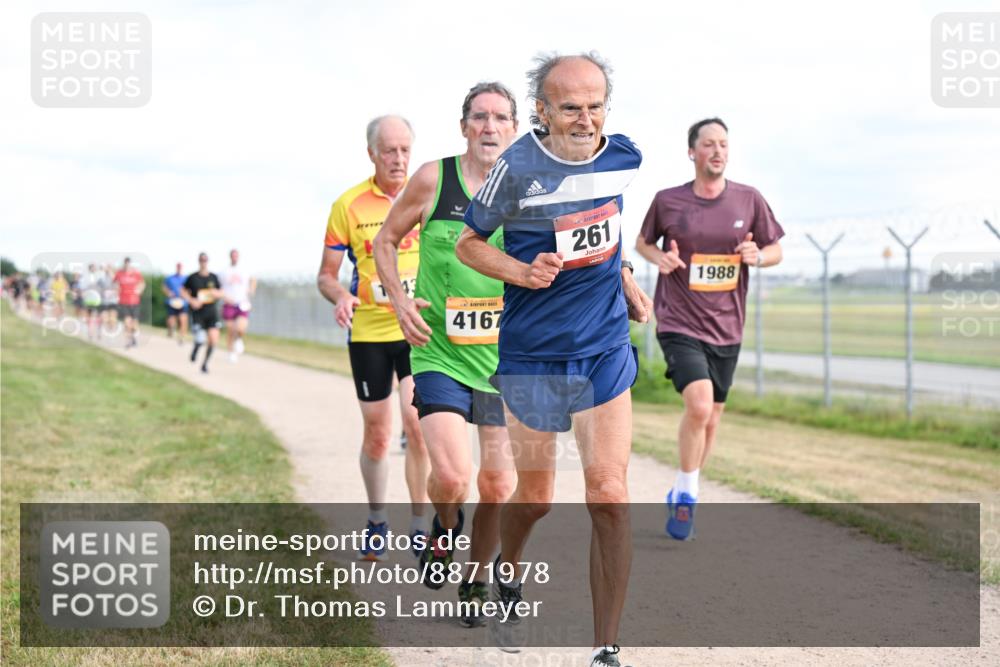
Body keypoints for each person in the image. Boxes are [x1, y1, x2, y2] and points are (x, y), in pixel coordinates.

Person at [456, 53, 652, 667]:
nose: (585, 119)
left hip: (603, 349)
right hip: (533, 358)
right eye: (570, 107)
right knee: (536, 498)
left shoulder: (624, 156)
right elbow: (468, 243)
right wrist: (522, 271)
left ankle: (606, 648)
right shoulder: (515, 168)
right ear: (542, 110)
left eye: (595, 106)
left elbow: (605, 228)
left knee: (610, 494)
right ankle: (507, 570)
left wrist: (624, 276)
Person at [373, 82, 519, 627]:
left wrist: (621, 274)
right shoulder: (436, 180)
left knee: (500, 485)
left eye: (500, 118)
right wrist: (398, 299)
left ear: (514, 129)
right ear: (464, 126)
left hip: (503, 361)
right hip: (439, 353)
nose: (488, 127)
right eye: (478, 117)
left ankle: (476, 576)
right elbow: (385, 241)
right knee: (455, 478)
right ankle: (445, 523)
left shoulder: (528, 192)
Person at [636, 117, 784, 541]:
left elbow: (775, 249)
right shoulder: (668, 201)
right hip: (679, 318)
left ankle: (685, 485)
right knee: (699, 406)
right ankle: (687, 495)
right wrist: (658, 258)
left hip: (728, 325)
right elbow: (644, 242)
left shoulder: (748, 199)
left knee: (713, 417)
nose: (718, 151)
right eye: (709, 144)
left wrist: (759, 255)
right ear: (692, 152)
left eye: (723, 144)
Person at [317, 115, 431, 560]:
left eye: (405, 149)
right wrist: (341, 296)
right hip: (369, 333)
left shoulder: (429, 196)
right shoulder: (349, 205)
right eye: (390, 150)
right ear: (372, 154)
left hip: (417, 329)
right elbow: (326, 276)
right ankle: (378, 519)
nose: (399, 159)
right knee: (379, 434)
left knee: (417, 424)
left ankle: (420, 523)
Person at [181, 253, 223, 373]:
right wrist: (191, 300)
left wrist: (216, 293)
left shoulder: (214, 277)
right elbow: (183, 290)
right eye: (201, 260)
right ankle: (196, 349)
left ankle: (205, 364)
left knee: (213, 340)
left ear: (208, 261)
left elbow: (221, 292)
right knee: (200, 339)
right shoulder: (192, 277)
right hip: (198, 313)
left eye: (205, 260)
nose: (203, 262)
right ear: (198, 261)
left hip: (211, 312)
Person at [219, 249, 256, 362]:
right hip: (229, 303)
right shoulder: (224, 271)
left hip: (242, 302)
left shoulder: (244, 269)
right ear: (230, 257)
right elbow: (218, 287)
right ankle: (231, 352)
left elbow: (253, 279)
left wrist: (251, 289)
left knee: (241, 327)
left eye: (236, 256)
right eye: (233, 256)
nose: (234, 257)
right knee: (230, 329)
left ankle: (239, 338)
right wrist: (224, 297)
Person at [114, 257, 145, 348]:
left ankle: (133, 338)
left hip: (135, 301)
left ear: (130, 264)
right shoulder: (119, 274)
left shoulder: (136, 273)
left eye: (128, 263)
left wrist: (139, 290)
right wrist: (116, 291)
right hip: (123, 301)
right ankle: (128, 341)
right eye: (125, 263)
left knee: (134, 323)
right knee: (127, 322)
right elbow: (115, 284)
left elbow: (142, 283)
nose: (127, 265)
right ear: (124, 263)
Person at [163, 262, 189, 345]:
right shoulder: (170, 278)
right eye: (178, 267)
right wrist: (168, 293)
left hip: (183, 302)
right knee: (171, 320)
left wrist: (185, 294)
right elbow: (164, 287)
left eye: (180, 267)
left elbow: (190, 289)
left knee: (183, 320)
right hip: (172, 302)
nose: (179, 268)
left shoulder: (186, 278)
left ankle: (181, 337)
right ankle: (171, 330)